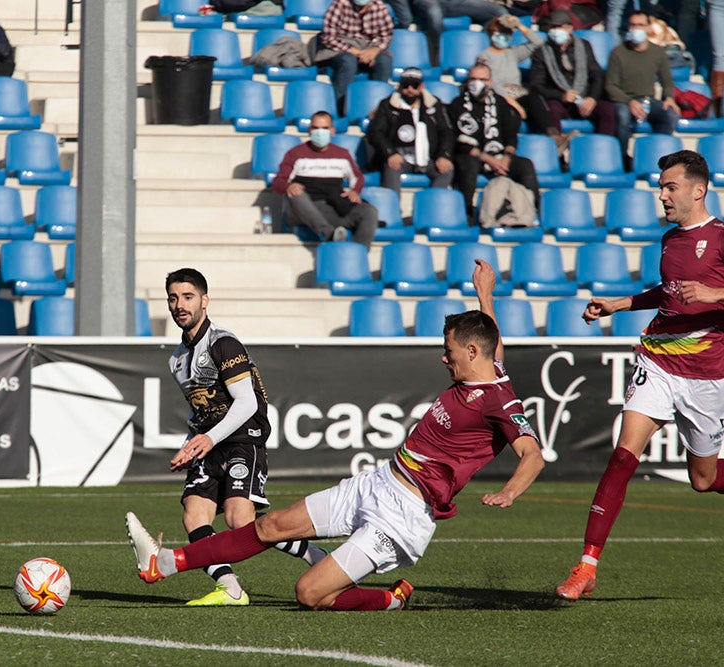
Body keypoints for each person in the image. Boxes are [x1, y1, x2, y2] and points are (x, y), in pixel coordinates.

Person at [128, 260, 545, 611]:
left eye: (449, 351)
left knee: (309, 593)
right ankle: (165, 563)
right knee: (270, 524)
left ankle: (389, 600)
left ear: (471, 353)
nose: (443, 357)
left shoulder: (500, 402)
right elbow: (492, 347)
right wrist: (485, 295)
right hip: (378, 481)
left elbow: (532, 454)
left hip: (404, 514)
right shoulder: (491, 366)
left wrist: (510, 491)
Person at [556, 150, 724, 601]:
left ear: (698, 189)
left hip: (708, 373)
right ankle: (587, 565)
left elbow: (707, 292)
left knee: (704, 479)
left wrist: (714, 291)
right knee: (623, 455)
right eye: (661, 186)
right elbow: (667, 292)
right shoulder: (670, 240)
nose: (663, 195)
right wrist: (619, 303)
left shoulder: (722, 237)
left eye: (671, 187)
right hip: (658, 359)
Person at [163, 268, 327, 606]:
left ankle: (315, 555)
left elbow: (246, 402)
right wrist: (190, 444)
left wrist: (208, 439)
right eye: (173, 298)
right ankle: (230, 588)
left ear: (204, 301)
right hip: (209, 445)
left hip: (242, 439)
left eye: (188, 297)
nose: (180, 304)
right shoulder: (177, 359)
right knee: (194, 516)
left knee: (241, 521)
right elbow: (200, 412)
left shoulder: (224, 343)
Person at [448, 62, 540, 223]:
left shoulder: (500, 103)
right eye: (473, 79)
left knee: (525, 165)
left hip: (498, 154)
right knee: (468, 163)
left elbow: (511, 135)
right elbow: (460, 142)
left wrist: (506, 158)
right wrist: (489, 160)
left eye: (483, 79)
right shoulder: (457, 104)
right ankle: (467, 213)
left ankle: (533, 210)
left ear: (490, 82)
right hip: (473, 156)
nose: (477, 83)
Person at [272, 110, 379, 247]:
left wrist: (354, 191)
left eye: (325, 128)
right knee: (296, 194)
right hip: (305, 209)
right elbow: (278, 182)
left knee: (370, 212)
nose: (320, 132)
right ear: (309, 130)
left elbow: (357, 177)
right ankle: (329, 234)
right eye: (316, 128)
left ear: (332, 131)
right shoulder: (295, 154)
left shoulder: (342, 154)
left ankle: (357, 254)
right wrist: (288, 186)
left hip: (333, 208)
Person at [478, 15, 574, 151]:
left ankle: (553, 136)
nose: (503, 36)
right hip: (500, 96)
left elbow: (538, 43)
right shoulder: (484, 56)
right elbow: (493, 83)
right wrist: (514, 104)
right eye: (498, 32)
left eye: (507, 33)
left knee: (535, 98)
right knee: (516, 112)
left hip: (518, 93)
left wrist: (519, 26)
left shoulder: (512, 53)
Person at [605, 11, 680, 169]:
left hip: (647, 100)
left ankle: (655, 158)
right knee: (622, 116)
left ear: (648, 27)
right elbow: (610, 86)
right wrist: (629, 101)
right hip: (623, 101)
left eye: (640, 25)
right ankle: (623, 159)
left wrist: (669, 97)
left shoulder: (657, 52)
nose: (636, 28)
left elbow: (667, 79)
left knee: (670, 115)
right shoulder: (617, 53)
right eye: (633, 25)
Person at [528, 10, 616, 141]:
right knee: (551, 109)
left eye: (559, 27)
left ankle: (602, 149)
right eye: (552, 27)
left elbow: (597, 75)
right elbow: (536, 85)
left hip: (584, 98)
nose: (555, 30)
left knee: (607, 110)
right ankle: (556, 151)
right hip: (559, 100)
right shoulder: (541, 52)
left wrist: (592, 98)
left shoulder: (584, 46)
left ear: (569, 28)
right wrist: (561, 96)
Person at [364, 67, 454, 194]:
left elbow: (446, 132)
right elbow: (375, 132)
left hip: (428, 158)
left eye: (415, 85)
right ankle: (394, 209)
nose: (410, 90)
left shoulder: (434, 105)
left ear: (422, 86)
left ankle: (432, 209)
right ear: (400, 86)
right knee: (391, 168)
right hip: (400, 158)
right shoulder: (387, 105)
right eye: (406, 85)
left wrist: (444, 155)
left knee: (446, 170)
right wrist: (390, 153)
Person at [315, 0, 393, 116]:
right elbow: (328, 37)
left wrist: (374, 51)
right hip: (343, 47)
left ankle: (378, 110)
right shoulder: (339, 5)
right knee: (348, 62)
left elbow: (386, 36)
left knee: (384, 61)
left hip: (370, 47)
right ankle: (340, 110)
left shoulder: (380, 7)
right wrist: (355, 52)